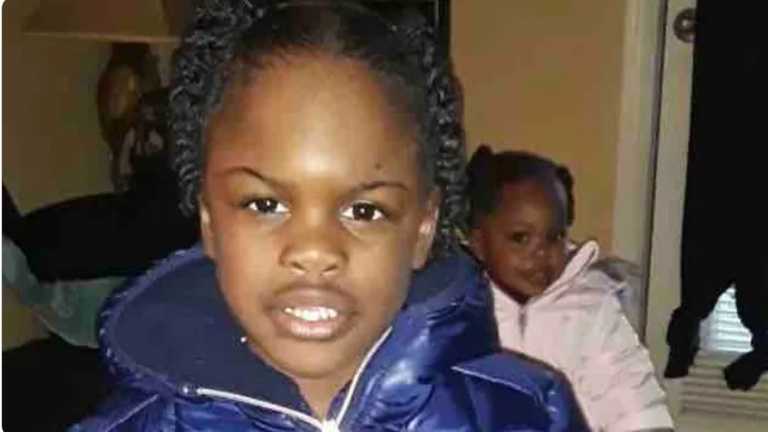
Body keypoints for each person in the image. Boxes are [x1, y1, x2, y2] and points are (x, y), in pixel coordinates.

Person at [70, 2, 588, 431]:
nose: (315, 251)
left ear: (422, 228)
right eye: (265, 204)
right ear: (209, 219)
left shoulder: (525, 413)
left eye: (364, 210)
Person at [466, 145, 674, 432]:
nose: (542, 253)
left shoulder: (591, 306)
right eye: (520, 238)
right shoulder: (458, 308)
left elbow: (628, 392)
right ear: (479, 243)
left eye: (555, 237)